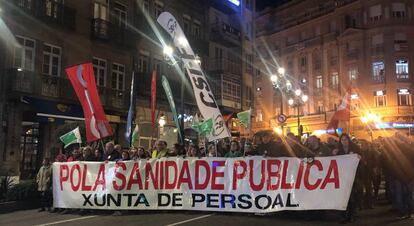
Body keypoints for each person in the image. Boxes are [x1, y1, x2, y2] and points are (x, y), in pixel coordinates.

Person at [337, 134, 361, 223]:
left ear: (349, 140)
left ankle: (352, 214)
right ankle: (343, 216)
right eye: (342, 140)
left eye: (346, 139)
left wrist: (359, 157)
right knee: (343, 197)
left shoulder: (355, 149)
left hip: (353, 176)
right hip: (342, 177)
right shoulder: (339, 150)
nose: (344, 141)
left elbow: (362, 160)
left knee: (352, 197)